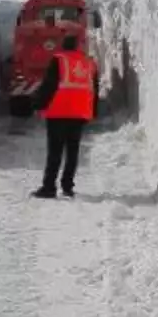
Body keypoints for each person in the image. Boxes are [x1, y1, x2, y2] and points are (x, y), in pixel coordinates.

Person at [28, 33, 99, 198]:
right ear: (78, 47)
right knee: (72, 151)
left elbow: (49, 85)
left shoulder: (58, 59)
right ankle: (67, 186)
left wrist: (37, 103)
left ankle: (49, 187)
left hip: (58, 111)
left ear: (63, 46)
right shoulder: (89, 63)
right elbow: (94, 89)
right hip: (80, 113)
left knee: (55, 151)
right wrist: (93, 112)